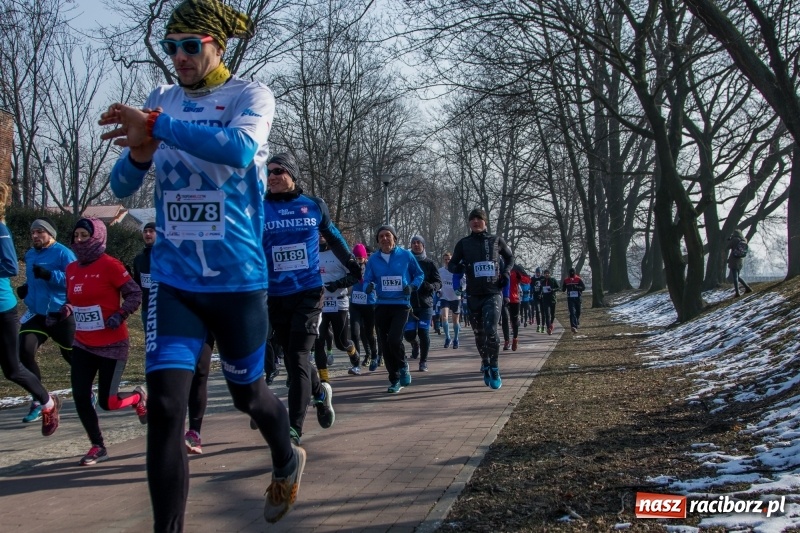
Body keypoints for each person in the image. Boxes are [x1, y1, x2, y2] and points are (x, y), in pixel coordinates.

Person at [101, 0, 303, 526]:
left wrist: (158, 127)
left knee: (250, 399)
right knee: (166, 407)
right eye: (172, 47)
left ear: (218, 45)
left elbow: (237, 151)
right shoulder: (161, 100)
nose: (180, 57)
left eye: (192, 45)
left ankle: (286, 458)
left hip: (237, 281)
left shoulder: (250, 95)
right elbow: (119, 185)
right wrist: (141, 151)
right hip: (175, 279)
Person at [262, 152, 359, 444]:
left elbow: (335, 237)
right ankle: (319, 392)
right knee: (293, 361)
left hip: (308, 291)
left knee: (297, 356)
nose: (272, 176)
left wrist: (352, 264)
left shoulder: (313, 205)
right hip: (275, 295)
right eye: (268, 172)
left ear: (292, 174)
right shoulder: (258, 207)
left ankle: (294, 429)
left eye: (278, 170)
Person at [61, 218, 145, 465]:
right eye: (75, 236)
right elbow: (75, 301)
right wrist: (63, 311)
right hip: (83, 343)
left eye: (84, 236)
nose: (78, 241)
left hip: (112, 344)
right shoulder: (71, 269)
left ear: (96, 236)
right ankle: (97, 445)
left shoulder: (110, 265)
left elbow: (135, 293)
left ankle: (138, 398)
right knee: (80, 395)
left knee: (109, 403)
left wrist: (120, 314)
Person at [133, 222, 213, 455]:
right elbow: (141, 287)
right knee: (168, 372)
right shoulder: (147, 259)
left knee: (201, 373)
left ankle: (195, 431)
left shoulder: (207, 253)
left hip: (207, 316)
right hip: (162, 317)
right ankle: (177, 429)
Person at [0, 184, 63, 437]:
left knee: (13, 369)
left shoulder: (1, 230)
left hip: (3, 309)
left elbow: (10, 266)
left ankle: (47, 402)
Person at [16, 216, 76, 425]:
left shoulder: (63, 253)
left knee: (73, 358)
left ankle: (86, 393)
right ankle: (40, 400)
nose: (35, 236)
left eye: (40, 232)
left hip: (59, 314)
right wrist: (25, 289)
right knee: (24, 351)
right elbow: (32, 279)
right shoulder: (31, 254)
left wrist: (50, 275)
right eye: (33, 232)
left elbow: (74, 279)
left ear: (50, 234)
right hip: (37, 314)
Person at [447, 208, 514, 390]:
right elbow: (451, 264)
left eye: (479, 219)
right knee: (479, 333)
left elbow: (510, 258)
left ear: (485, 222)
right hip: (473, 294)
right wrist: (457, 268)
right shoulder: (463, 244)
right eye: (472, 219)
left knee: (491, 330)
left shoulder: (496, 240)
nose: (476, 222)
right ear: (469, 223)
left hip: (493, 293)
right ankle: (485, 362)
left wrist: (506, 272)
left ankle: (495, 367)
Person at [362, 224, 424, 393]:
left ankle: (403, 365)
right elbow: (367, 278)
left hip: (401, 305)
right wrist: (368, 286)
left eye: (387, 235)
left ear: (394, 238)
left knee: (394, 340)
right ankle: (394, 379)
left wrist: (412, 286)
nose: (384, 239)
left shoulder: (406, 255)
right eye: (381, 236)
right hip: (381, 304)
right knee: (385, 344)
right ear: (378, 240)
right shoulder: (374, 259)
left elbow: (419, 274)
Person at [315, 235, 360, 376]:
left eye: (324, 232)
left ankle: (352, 351)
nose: (321, 235)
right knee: (318, 341)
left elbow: (355, 276)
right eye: (318, 232)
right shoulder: (311, 252)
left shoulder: (341, 252)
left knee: (341, 343)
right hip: (318, 303)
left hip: (338, 301)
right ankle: (323, 378)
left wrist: (337, 284)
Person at [404, 235, 441, 372]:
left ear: (423, 246)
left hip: (426, 304)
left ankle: (423, 361)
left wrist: (432, 286)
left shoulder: (429, 263)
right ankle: (414, 344)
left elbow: (439, 282)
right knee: (409, 334)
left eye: (419, 242)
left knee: (424, 332)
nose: (416, 245)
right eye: (413, 243)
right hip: (410, 305)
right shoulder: (406, 263)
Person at [349, 244, 378, 370]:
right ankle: (356, 364)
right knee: (355, 333)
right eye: (356, 258)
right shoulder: (351, 267)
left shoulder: (371, 266)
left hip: (369, 304)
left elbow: (378, 280)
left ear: (365, 257)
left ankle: (374, 356)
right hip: (355, 304)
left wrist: (373, 286)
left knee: (369, 333)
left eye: (361, 258)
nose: (359, 260)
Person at [438, 252, 463, 349]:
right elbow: (438, 282)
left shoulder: (458, 270)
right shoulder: (440, 271)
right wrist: (439, 291)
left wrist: (461, 290)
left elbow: (464, 282)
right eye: (445, 259)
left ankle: (456, 338)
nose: (447, 261)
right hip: (445, 297)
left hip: (456, 298)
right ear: (443, 260)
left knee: (455, 320)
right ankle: (448, 337)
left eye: (449, 259)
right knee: (444, 317)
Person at [727, 229, 752, 297]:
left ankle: (737, 293)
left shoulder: (734, 240)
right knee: (737, 276)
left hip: (734, 259)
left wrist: (729, 240)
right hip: (740, 259)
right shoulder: (744, 240)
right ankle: (747, 288)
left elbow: (727, 247)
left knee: (735, 277)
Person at [562, 268, 586, 333]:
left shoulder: (578, 279)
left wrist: (577, 287)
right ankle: (573, 327)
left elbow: (583, 288)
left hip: (578, 298)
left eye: (573, 273)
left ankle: (576, 320)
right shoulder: (566, 280)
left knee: (578, 312)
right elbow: (563, 288)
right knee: (572, 312)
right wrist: (563, 288)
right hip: (570, 299)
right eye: (570, 273)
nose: (571, 274)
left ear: (575, 273)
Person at [539, 269, 559, 335]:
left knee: (552, 314)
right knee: (547, 314)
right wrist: (540, 294)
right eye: (545, 273)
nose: (546, 274)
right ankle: (549, 328)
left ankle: (551, 324)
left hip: (552, 299)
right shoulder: (542, 281)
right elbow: (541, 289)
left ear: (550, 274)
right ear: (544, 274)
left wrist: (553, 290)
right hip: (545, 299)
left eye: (548, 273)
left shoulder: (553, 280)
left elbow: (558, 288)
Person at [530, 267, 544, 332]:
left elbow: (544, 287)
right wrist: (531, 293)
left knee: (542, 311)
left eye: (539, 273)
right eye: (537, 272)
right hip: (535, 297)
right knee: (538, 311)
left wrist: (541, 293)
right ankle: (538, 325)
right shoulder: (532, 279)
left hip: (542, 297)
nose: (538, 274)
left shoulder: (542, 278)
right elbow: (531, 286)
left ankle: (543, 325)